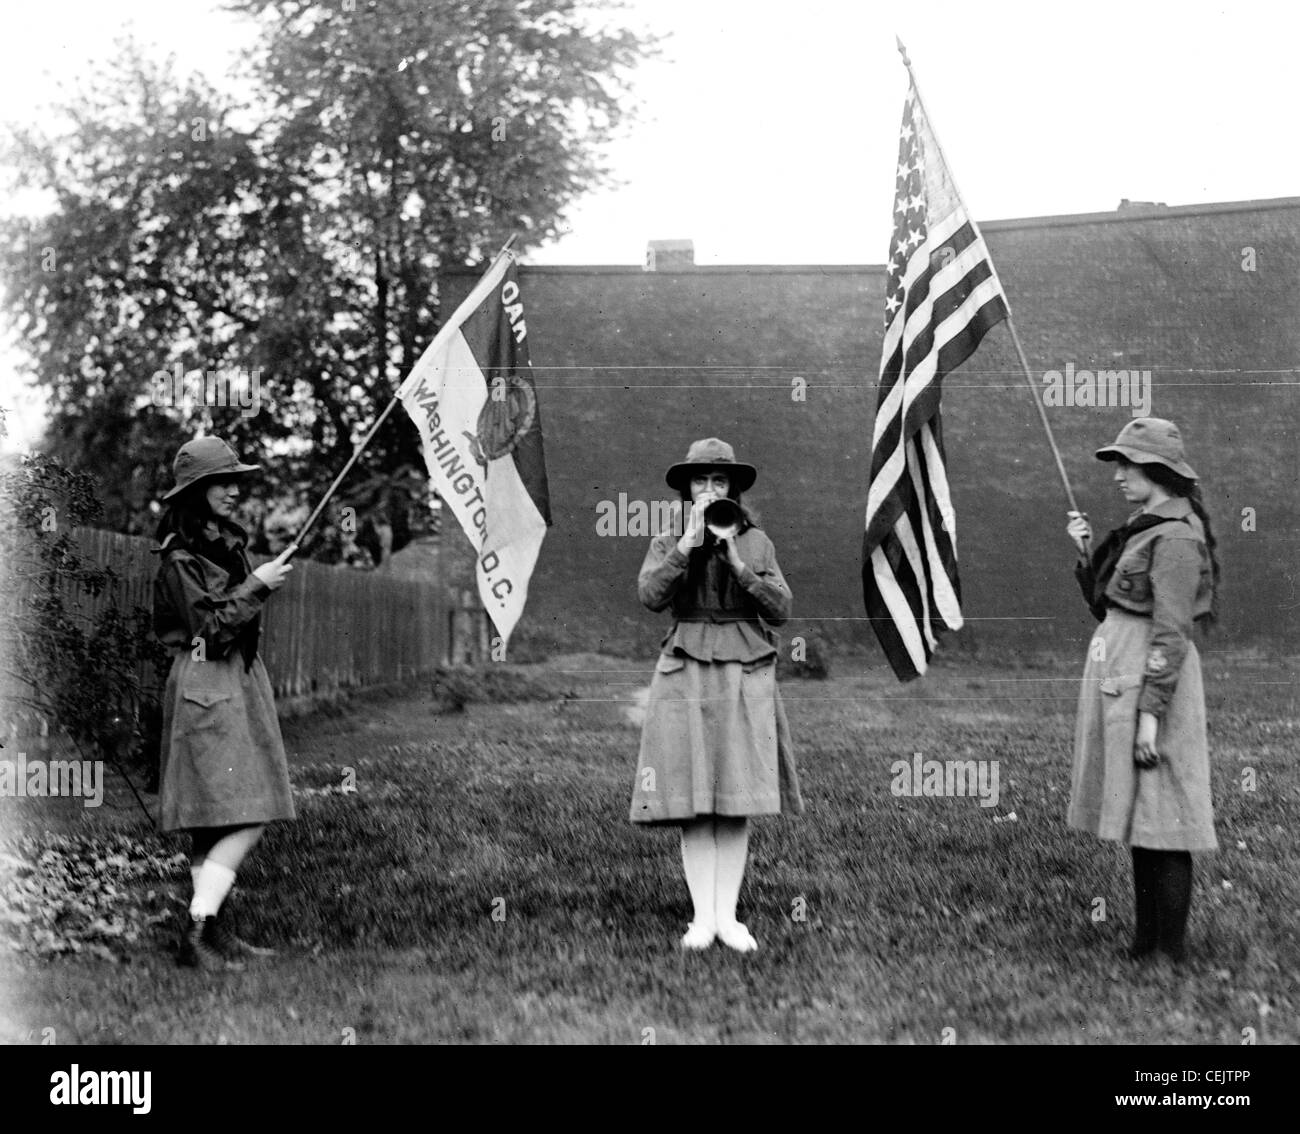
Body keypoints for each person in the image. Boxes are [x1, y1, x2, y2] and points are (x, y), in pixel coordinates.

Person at [630, 438, 803, 952]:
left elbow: (781, 611)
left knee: (733, 796)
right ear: (687, 488)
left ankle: (728, 917)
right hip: (685, 665)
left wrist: (738, 565)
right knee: (692, 798)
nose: (709, 490)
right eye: (700, 481)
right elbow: (650, 596)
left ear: (733, 490)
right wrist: (687, 545)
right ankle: (701, 918)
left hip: (744, 666)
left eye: (719, 482)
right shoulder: (668, 539)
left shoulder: (758, 543)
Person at [1064, 418, 1219, 964]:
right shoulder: (1144, 527)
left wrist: (1151, 716)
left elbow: (1172, 631)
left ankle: (1168, 951)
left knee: (1165, 815)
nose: (1118, 476)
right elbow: (1110, 607)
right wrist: (1086, 555)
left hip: (1155, 681)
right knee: (1142, 817)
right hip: (1124, 672)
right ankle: (1145, 943)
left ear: (1157, 470)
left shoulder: (1175, 535)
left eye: (1127, 465)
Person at [152, 437, 298, 970]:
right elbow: (206, 632)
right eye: (224, 482)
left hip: (235, 678)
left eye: (237, 481)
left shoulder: (222, 543)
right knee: (251, 808)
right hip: (206, 679)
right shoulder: (179, 558)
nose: (235, 491)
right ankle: (196, 932)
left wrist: (253, 581)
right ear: (196, 492)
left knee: (215, 819)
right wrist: (257, 586)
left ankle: (212, 932)